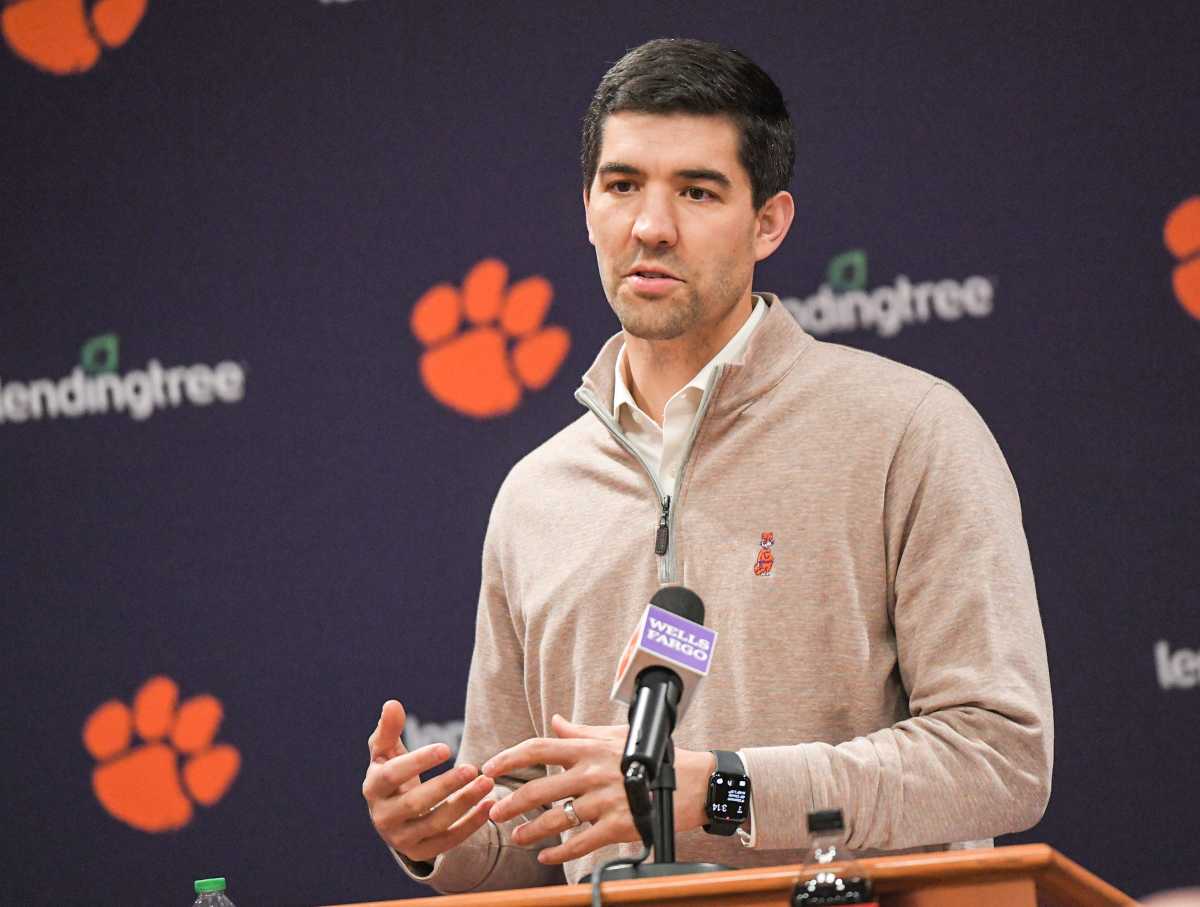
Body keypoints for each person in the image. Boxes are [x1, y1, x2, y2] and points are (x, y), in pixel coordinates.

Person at [363, 37, 1053, 894]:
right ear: (586, 208)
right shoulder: (534, 494)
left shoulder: (911, 430)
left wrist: (722, 789)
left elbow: (1001, 756)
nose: (651, 225)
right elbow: (522, 830)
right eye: (622, 186)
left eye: (697, 190)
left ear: (769, 220)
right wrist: (439, 838)